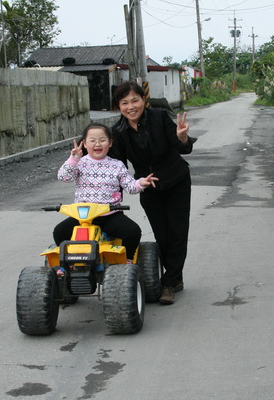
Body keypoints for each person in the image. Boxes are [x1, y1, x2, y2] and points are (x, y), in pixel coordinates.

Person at [110, 81, 196, 305]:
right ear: (119, 106)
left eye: (135, 100)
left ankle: (169, 283)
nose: (131, 106)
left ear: (143, 100)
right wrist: (114, 201)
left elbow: (183, 149)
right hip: (149, 188)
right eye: (125, 102)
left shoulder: (159, 117)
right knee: (162, 236)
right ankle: (174, 277)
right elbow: (119, 169)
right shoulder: (118, 132)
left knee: (177, 232)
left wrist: (182, 137)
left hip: (176, 181)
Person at [53, 122, 158, 276]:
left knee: (133, 231)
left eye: (102, 140)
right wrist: (73, 159)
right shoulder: (80, 164)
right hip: (83, 218)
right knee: (60, 231)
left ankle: (127, 261)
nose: (97, 144)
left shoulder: (117, 165)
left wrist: (141, 183)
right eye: (92, 140)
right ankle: (66, 265)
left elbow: (129, 186)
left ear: (110, 143)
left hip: (109, 215)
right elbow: (64, 176)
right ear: (84, 143)